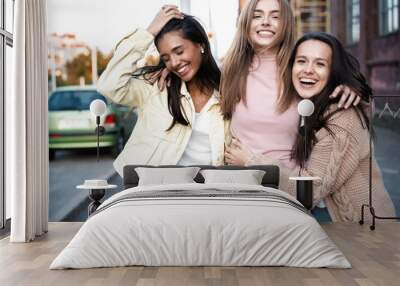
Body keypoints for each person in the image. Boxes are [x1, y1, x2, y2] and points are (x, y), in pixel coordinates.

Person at [225, 32, 396, 222]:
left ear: (334, 72)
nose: (308, 70)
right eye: (301, 61)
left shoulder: (342, 117)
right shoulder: (309, 106)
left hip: (353, 227)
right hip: (322, 217)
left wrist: (253, 161)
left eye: (320, 64)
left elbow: (312, 189)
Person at [220, 0, 361, 170]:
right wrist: (178, 22)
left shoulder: (300, 70)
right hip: (241, 183)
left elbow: (340, 87)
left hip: (288, 185)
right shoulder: (229, 71)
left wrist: (350, 86)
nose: (265, 21)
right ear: (246, 22)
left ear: (286, 24)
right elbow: (186, 68)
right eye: (257, 16)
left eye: (275, 16)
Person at [97, 6, 227, 177]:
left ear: (201, 45)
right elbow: (109, 85)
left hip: (208, 193)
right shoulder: (156, 88)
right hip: (154, 193)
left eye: (179, 51)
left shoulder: (227, 94)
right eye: (165, 58)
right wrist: (148, 33)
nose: (173, 62)